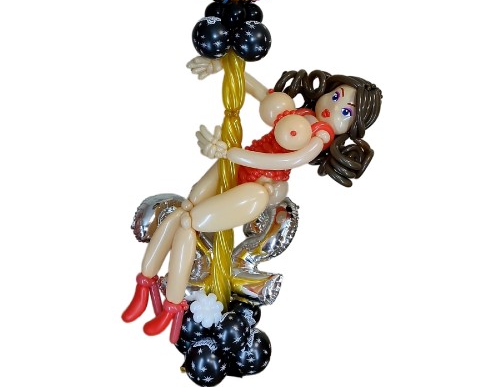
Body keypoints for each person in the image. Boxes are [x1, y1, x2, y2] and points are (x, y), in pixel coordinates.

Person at [122, 57, 382, 343]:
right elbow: (258, 90)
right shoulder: (298, 110)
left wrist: (231, 153)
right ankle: (144, 285)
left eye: (345, 111)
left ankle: (171, 307)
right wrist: (222, 67)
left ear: (352, 127)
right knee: (184, 208)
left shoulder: (321, 135)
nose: (333, 107)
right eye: (334, 96)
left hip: (257, 188)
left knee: (189, 222)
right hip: (237, 165)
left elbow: (289, 160)